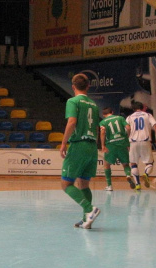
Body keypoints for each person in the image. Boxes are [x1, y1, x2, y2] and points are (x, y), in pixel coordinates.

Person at [60, 73, 101, 229]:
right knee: (84, 183)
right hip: (92, 146)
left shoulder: (73, 101)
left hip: (79, 145)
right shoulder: (94, 105)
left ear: (73, 86)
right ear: (88, 86)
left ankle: (90, 210)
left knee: (66, 184)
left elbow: (72, 122)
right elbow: (96, 127)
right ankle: (86, 220)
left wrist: (64, 143)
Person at [125, 101, 156, 190]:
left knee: (133, 163)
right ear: (141, 107)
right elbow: (155, 124)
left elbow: (127, 128)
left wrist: (129, 137)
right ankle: (146, 174)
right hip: (145, 140)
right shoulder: (147, 115)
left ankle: (137, 184)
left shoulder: (129, 117)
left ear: (133, 109)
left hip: (133, 142)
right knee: (149, 163)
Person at [99, 107, 135, 191]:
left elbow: (103, 132)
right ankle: (128, 175)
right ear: (112, 111)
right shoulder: (120, 118)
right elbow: (128, 128)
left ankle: (109, 186)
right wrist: (127, 137)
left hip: (111, 144)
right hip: (122, 143)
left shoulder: (103, 122)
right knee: (125, 164)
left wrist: (102, 145)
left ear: (104, 115)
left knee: (106, 164)